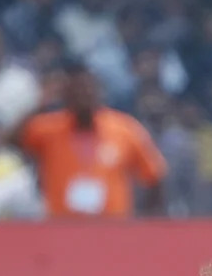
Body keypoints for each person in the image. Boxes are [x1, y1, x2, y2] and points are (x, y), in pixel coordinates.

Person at [17, 60, 167, 218]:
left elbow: (154, 176)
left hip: (113, 231)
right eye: (78, 90)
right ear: (67, 95)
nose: (84, 95)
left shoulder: (125, 129)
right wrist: (42, 102)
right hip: (62, 230)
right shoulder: (48, 128)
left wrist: (146, 222)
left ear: (99, 91)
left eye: (89, 89)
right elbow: (12, 140)